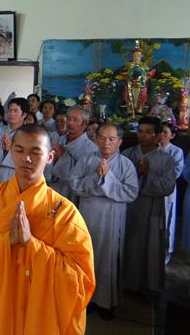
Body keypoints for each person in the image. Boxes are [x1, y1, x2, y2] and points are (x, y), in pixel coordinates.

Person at [0, 124, 95, 335]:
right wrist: (6, 241)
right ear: (10, 151)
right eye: (19, 150)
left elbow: (80, 279)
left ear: (50, 157)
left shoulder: (65, 213)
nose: (26, 158)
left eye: (35, 152)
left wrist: (32, 244)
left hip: (39, 316)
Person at [70, 123, 138, 320]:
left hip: (112, 217)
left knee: (108, 257)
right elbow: (74, 184)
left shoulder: (126, 164)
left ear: (119, 142)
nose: (106, 142)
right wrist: (96, 177)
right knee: (87, 256)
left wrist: (108, 178)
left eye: (111, 139)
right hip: (89, 213)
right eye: (101, 137)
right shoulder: (86, 159)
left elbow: (131, 192)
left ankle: (106, 303)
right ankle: (88, 299)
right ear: (96, 139)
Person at [122, 116, 176, 294]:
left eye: (148, 132)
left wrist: (147, 174)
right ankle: (126, 282)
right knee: (128, 243)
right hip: (128, 206)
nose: (142, 135)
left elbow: (168, 187)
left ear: (157, 135)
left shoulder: (165, 159)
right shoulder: (128, 154)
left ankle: (147, 285)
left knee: (149, 245)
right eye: (140, 131)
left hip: (152, 207)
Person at [49, 106, 98, 202]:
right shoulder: (59, 140)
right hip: (54, 190)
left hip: (73, 196)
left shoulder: (91, 149)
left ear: (85, 123)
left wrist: (63, 156)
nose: (70, 123)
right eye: (68, 119)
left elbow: (87, 180)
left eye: (75, 120)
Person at [0, 97, 28, 184]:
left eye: (15, 111)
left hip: (17, 176)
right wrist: (2, 151)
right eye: (9, 110)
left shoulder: (29, 134)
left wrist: (10, 150)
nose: (11, 114)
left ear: (24, 114)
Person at [159, 122, 184, 264]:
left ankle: (166, 253)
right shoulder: (152, 149)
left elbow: (175, 172)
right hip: (151, 190)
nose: (161, 135)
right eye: (160, 132)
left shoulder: (176, 151)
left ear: (172, 135)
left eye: (165, 132)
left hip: (167, 192)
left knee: (167, 220)